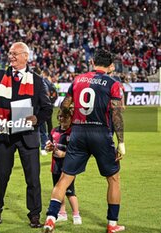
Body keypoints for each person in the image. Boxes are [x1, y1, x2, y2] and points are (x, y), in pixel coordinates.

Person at [0, 36, 53, 228]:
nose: (11, 56)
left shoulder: (37, 81)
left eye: (15, 53)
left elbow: (47, 108)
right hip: (4, 132)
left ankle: (34, 215)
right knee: (2, 175)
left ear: (25, 57)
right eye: (10, 53)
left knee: (33, 178)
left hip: (28, 135)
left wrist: (37, 119)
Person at [43, 49, 126, 233]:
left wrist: (67, 122)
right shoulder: (113, 83)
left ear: (93, 62)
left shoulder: (78, 80)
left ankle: (50, 218)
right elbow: (116, 113)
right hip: (101, 133)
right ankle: (112, 224)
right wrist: (121, 142)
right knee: (113, 178)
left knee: (65, 178)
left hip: (78, 132)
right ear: (110, 65)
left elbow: (65, 105)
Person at [45, 108, 82, 225]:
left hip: (68, 168)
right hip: (55, 166)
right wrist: (48, 147)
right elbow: (50, 144)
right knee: (58, 190)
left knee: (70, 192)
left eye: (65, 117)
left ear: (70, 118)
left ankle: (76, 214)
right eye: (60, 116)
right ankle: (62, 213)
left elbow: (77, 152)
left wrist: (63, 154)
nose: (62, 119)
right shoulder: (54, 131)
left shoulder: (74, 132)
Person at [39, 69, 56, 155]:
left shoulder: (41, 81)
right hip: (48, 107)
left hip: (41, 108)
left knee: (41, 127)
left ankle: (43, 146)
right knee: (49, 125)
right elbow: (55, 94)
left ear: (43, 73)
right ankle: (51, 142)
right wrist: (51, 103)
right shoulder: (50, 83)